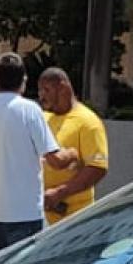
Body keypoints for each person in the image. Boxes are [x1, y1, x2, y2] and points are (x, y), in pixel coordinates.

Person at [0, 52, 64, 252]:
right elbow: (55, 159)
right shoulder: (30, 110)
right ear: (24, 80)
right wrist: (72, 155)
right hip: (26, 213)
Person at [37, 66, 108, 224]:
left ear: (62, 88)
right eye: (39, 91)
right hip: (41, 216)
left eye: (46, 90)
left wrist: (59, 193)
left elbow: (97, 168)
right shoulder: (44, 118)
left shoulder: (88, 122)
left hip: (74, 219)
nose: (41, 96)